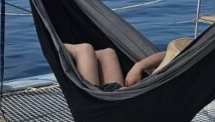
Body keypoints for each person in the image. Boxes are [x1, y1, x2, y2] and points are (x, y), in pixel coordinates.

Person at [64, 37, 192, 91]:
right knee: (108, 53)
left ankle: (56, 45)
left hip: (102, 101)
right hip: (119, 92)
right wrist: (138, 66)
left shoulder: (178, 83)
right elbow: (166, 54)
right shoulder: (180, 63)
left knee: (85, 49)